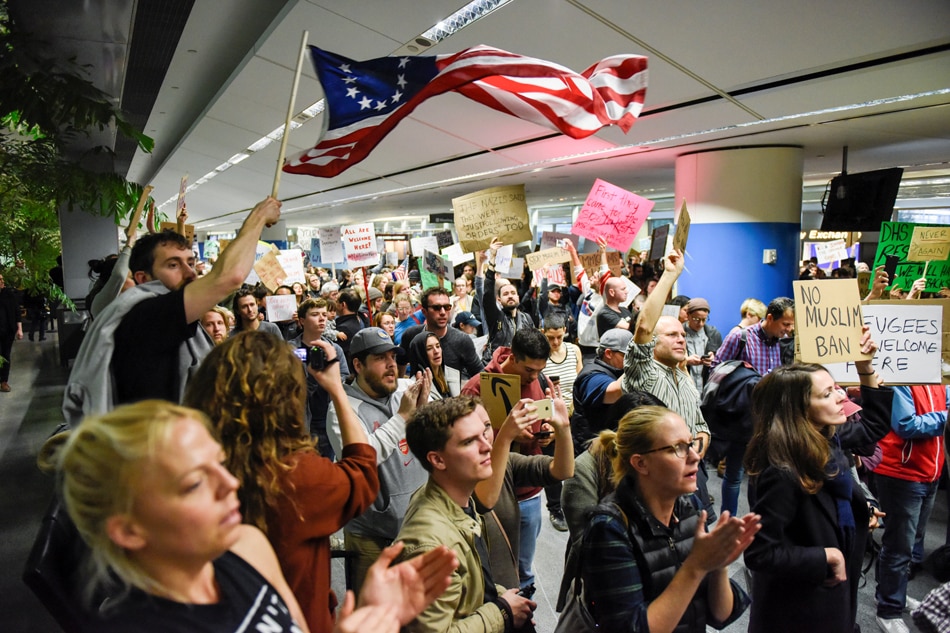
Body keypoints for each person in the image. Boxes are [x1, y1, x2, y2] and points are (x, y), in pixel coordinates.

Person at [45, 400, 458, 633]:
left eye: (220, 464)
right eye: (193, 484)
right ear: (129, 530)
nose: (228, 485)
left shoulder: (247, 547)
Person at [184, 332, 379, 632]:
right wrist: (338, 391)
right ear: (288, 397)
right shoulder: (294, 475)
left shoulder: (190, 468)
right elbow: (362, 473)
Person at [63, 197, 282, 426]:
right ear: (143, 278)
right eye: (173, 265)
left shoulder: (152, 310)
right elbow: (230, 277)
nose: (190, 273)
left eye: (190, 262)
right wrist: (258, 217)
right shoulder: (145, 316)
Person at [743, 338, 895, 633]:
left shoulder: (825, 439)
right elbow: (760, 553)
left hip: (832, 591)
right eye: (827, 394)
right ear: (797, 410)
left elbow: (874, 426)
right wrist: (826, 556)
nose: (840, 397)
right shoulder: (780, 468)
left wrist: (865, 369)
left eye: (836, 387)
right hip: (799, 607)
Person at [579, 405, 758, 632]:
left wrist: (718, 564)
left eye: (691, 444)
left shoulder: (689, 507)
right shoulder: (610, 527)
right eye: (677, 448)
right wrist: (695, 566)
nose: (695, 456)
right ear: (640, 463)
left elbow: (720, 615)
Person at [396, 396, 537, 633]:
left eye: (484, 433)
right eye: (469, 441)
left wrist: (503, 598)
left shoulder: (457, 498)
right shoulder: (429, 546)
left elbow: (465, 585)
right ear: (438, 459)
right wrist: (502, 611)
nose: (487, 446)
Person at [326, 327, 431, 593]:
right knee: (373, 615)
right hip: (371, 535)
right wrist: (402, 418)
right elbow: (364, 456)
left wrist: (425, 412)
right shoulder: (343, 409)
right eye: (380, 358)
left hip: (420, 527)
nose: (391, 365)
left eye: (393, 357)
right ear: (358, 365)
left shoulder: (408, 390)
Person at [874, 384, 949, 633]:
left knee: (913, 539)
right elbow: (906, 425)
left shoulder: (937, 380)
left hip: (930, 472)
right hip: (903, 473)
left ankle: (893, 594)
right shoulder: (901, 380)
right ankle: (888, 609)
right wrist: (946, 417)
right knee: (899, 545)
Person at [711, 295, 795, 517]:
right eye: (785, 324)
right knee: (735, 474)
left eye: (791, 326)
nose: (788, 330)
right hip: (743, 418)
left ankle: (760, 521)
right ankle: (727, 520)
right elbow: (716, 370)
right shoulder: (740, 337)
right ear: (770, 318)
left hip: (769, 419)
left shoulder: (780, 343)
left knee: (762, 474)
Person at [408, 331, 460, 399]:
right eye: (429, 349)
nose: (436, 351)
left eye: (438, 346)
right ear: (420, 354)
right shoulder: (414, 385)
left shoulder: (452, 373)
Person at [0, 271, 23, 392]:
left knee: (5, 356)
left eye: (2, 279)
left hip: (7, 331)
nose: (2, 282)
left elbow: (17, 312)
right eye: (0, 280)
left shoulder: (8, 294)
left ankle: (4, 381)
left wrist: (19, 329)